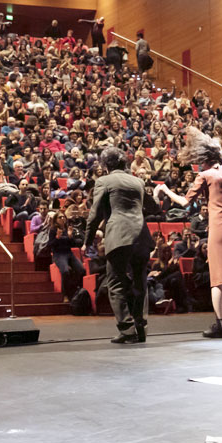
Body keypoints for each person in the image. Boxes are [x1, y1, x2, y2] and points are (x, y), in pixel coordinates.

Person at [156, 127, 222, 338]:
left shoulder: (205, 175)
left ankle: (219, 324)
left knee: (218, 278)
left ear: (204, 158)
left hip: (220, 228)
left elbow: (185, 203)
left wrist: (165, 190)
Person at [83, 147, 156, 344]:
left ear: (106, 165)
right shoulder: (138, 181)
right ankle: (141, 329)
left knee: (115, 283)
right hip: (142, 236)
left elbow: (94, 214)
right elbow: (155, 207)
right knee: (140, 283)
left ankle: (127, 328)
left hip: (119, 237)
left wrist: (87, 241)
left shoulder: (103, 181)